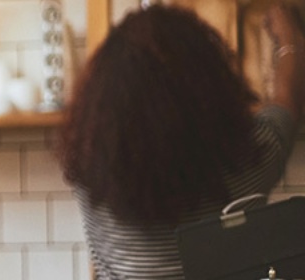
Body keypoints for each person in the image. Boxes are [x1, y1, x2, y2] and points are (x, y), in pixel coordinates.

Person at [55, 4, 305, 279]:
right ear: (208, 89)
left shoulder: (91, 181)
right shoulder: (250, 163)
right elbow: (288, 100)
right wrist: (290, 38)